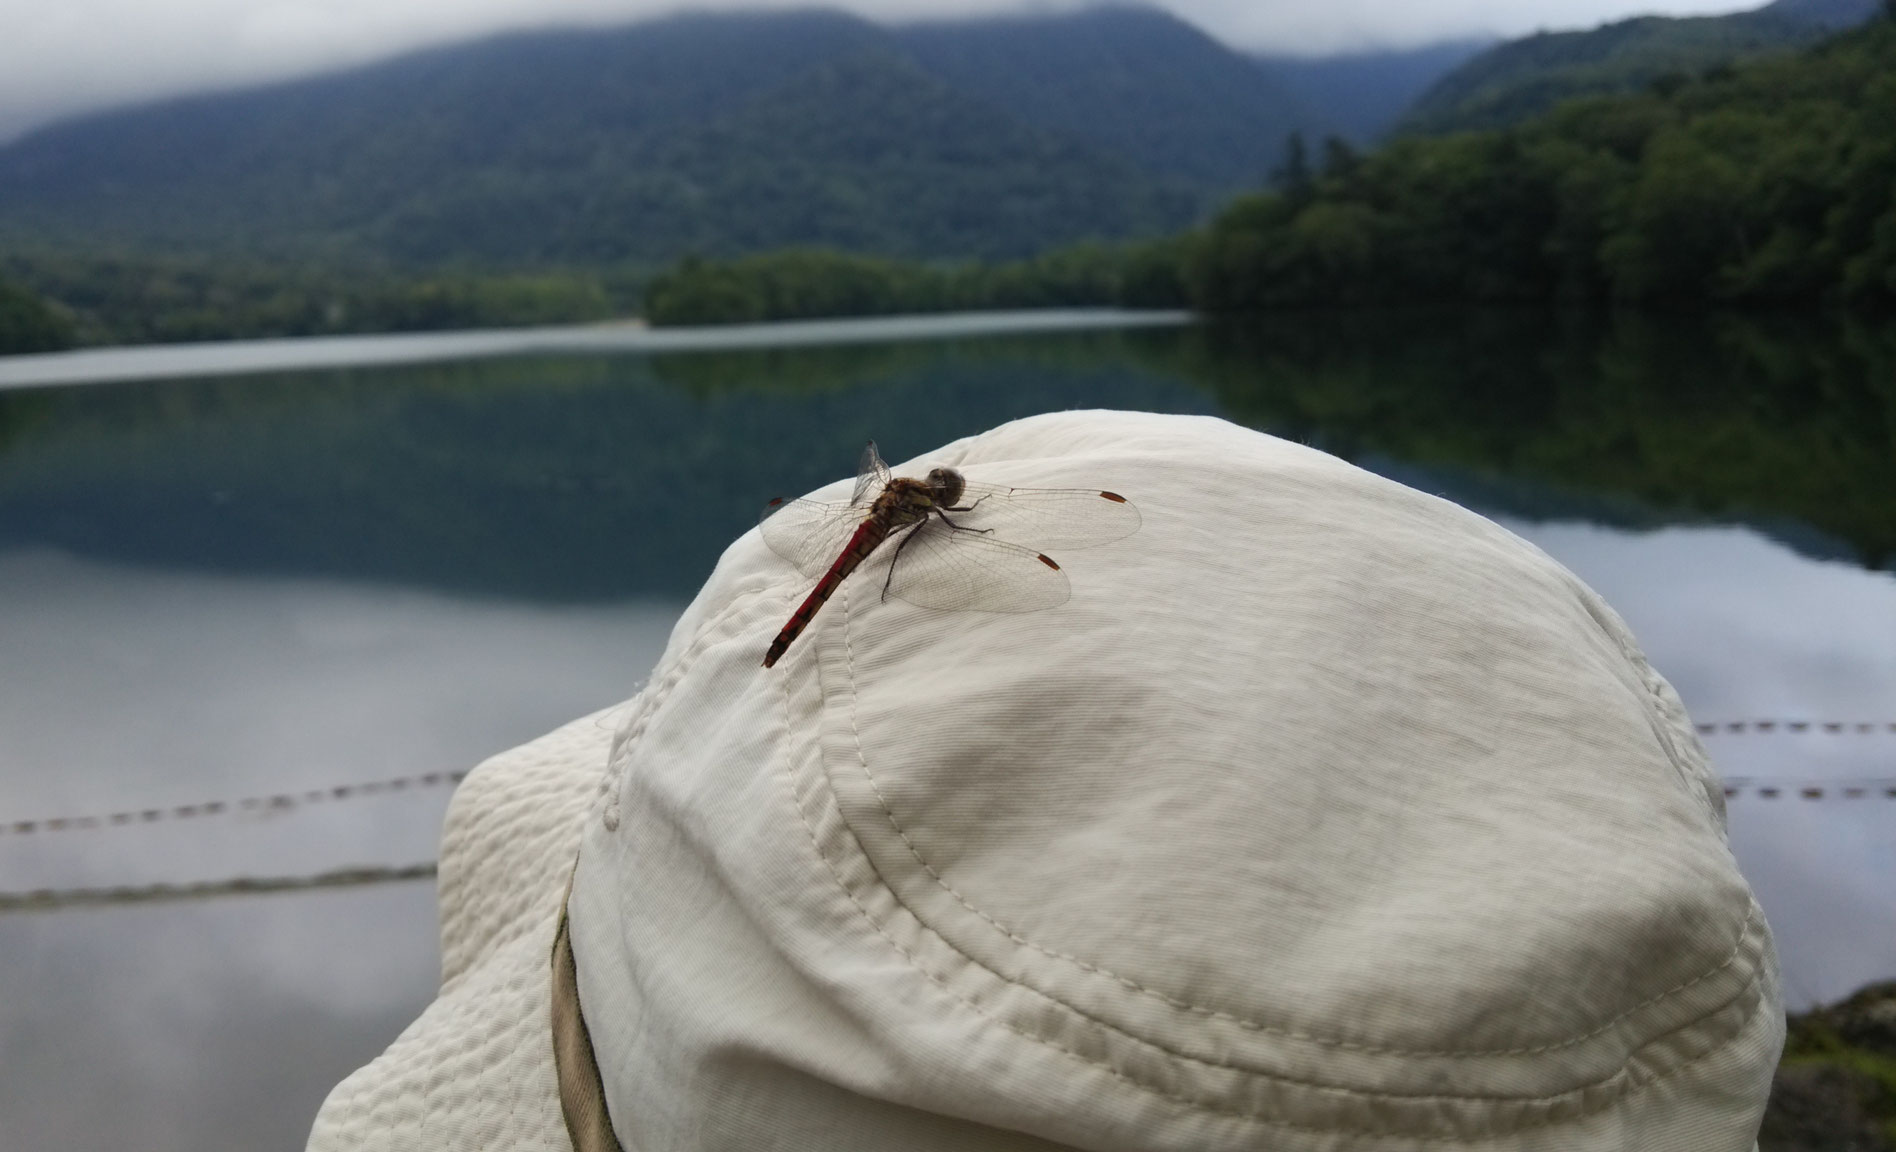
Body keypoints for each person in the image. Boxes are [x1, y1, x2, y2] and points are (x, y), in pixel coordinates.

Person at [308, 410, 1781, 1151]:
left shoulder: (910, 517)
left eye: (934, 495)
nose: (937, 499)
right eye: (932, 494)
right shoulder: (956, 529)